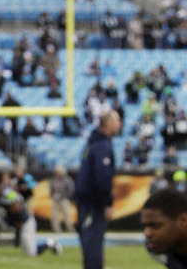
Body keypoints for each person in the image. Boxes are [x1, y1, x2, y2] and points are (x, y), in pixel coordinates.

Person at [76, 109, 121, 269]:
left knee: (89, 250)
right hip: (93, 206)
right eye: (117, 120)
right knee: (93, 250)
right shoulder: (101, 146)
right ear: (108, 123)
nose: (120, 124)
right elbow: (102, 178)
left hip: (86, 204)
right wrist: (106, 203)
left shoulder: (92, 143)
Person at [0, 180, 62, 257]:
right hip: (9, 222)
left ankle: (50, 243)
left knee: (31, 253)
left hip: (24, 223)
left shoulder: (6, 193)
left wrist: (12, 212)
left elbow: (17, 204)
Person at [142, 188, 187, 268]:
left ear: (183, 220)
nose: (147, 233)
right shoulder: (153, 246)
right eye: (145, 226)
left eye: (156, 225)